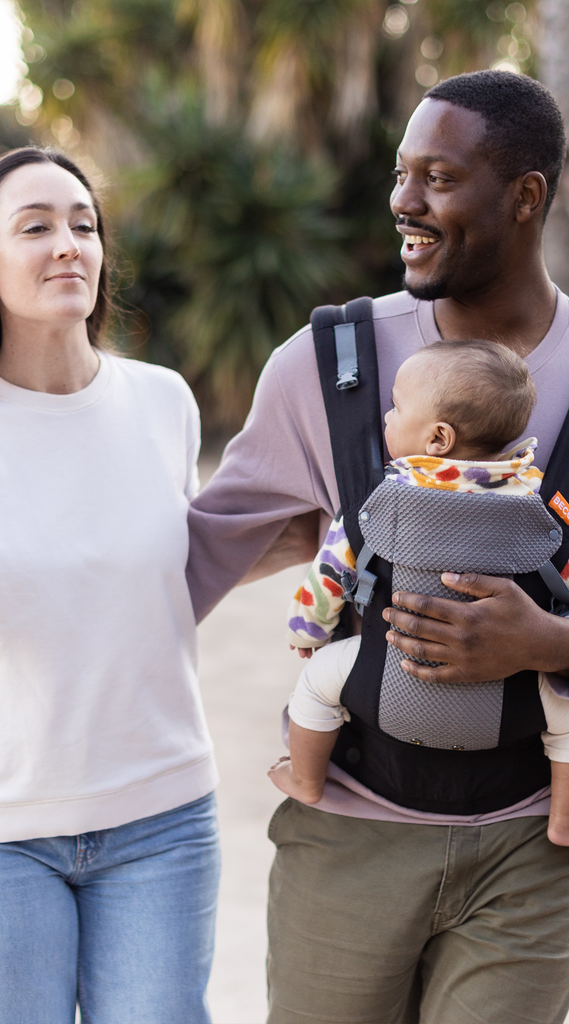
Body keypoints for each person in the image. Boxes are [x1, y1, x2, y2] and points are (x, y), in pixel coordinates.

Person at [187, 71, 569, 1023]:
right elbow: (192, 559)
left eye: (436, 176)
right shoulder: (328, 366)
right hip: (349, 834)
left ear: (525, 196)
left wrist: (550, 644)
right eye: (402, 174)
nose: (402, 200)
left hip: (536, 850)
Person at [0, 147, 220, 1024]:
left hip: (162, 818)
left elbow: (175, 569)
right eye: (35, 226)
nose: (68, 244)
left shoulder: (163, 401)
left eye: (83, 225)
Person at [276, 339, 569, 847]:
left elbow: (329, 578)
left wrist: (307, 628)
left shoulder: (381, 503)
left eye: (395, 407)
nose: (386, 417)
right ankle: (563, 817)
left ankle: (306, 778)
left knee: (317, 683)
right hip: (517, 686)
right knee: (566, 719)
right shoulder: (536, 501)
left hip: (390, 666)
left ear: (437, 438)